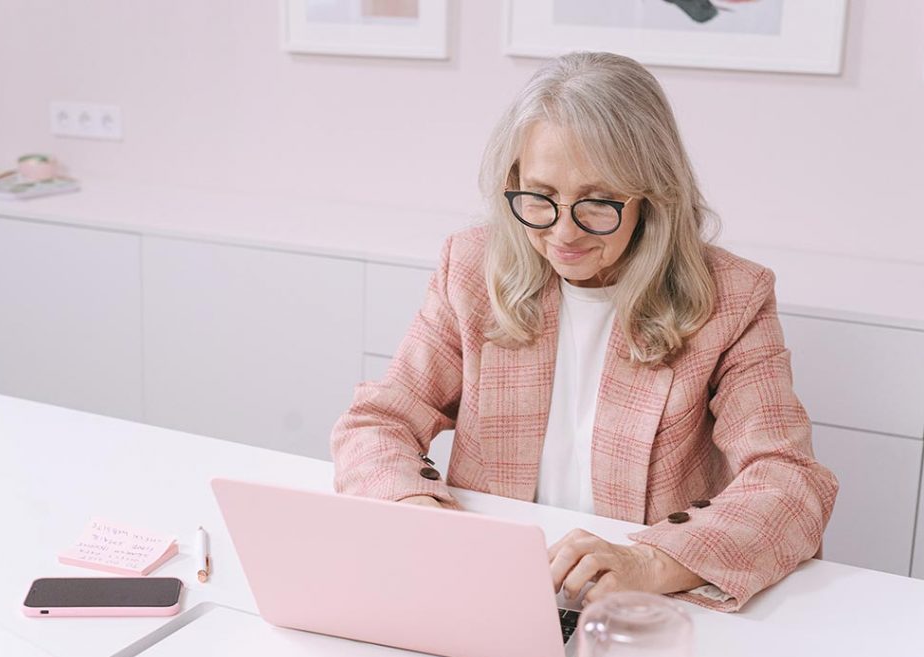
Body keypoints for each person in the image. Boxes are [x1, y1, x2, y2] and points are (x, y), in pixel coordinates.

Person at [331, 51, 838, 613]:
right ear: (514, 180)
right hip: (493, 590)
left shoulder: (732, 297)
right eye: (540, 197)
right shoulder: (472, 267)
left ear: (652, 197)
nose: (563, 233)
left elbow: (790, 483)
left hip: (641, 608)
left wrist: (648, 563)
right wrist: (416, 510)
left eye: (597, 204)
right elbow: (378, 422)